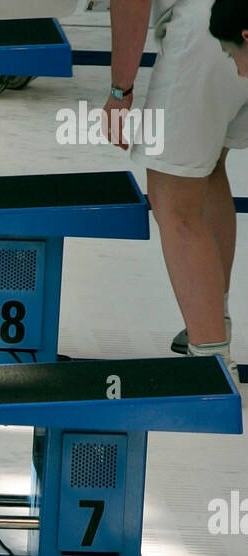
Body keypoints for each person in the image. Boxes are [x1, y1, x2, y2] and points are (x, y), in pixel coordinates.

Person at [104, 0, 247, 379]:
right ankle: (213, 325)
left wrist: (120, 91)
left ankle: (212, 369)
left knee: (175, 201)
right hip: (234, 24)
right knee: (209, 167)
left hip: (207, 31)